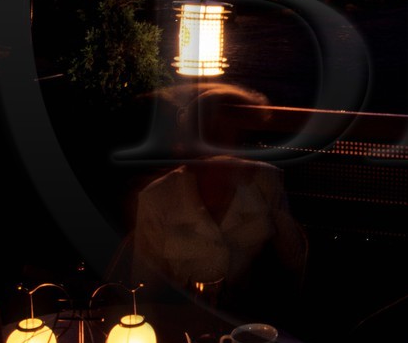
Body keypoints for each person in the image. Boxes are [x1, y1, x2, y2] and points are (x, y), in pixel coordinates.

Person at [127, 84, 308, 322]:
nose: (229, 152)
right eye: (217, 138)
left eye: (239, 139)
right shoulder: (158, 198)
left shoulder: (265, 181)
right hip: (182, 324)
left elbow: (294, 264)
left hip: (248, 324)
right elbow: (143, 289)